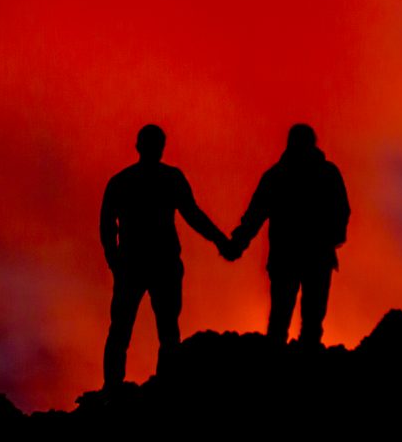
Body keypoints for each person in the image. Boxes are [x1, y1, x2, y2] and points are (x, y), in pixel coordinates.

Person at [100, 124, 230, 390]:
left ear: (139, 146)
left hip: (138, 264)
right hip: (159, 264)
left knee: (126, 329)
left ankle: (116, 387)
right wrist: (220, 240)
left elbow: (106, 224)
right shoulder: (169, 178)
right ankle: (163, 387)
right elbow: (192, 214)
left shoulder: (122, 181)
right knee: (163, 329)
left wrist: (114, 259)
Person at [224, 124, 350, 347]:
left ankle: (278, 367)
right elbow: (342, 210)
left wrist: (238, 244)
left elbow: (255, 215)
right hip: (315, 257)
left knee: (281, 322)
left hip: (287, 258)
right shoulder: (327, 173)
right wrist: (333, 238)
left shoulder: (277, 176)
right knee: (310, 322)